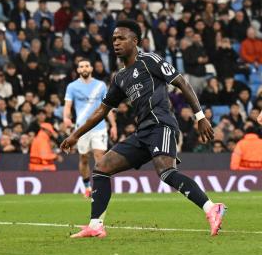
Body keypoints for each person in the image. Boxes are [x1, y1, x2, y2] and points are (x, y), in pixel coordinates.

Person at [60, 19, 225, 238]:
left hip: (161, 124)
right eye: (114, 39)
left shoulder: (150, 60)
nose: (116, 43)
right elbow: (102, 110)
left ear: (135, 41)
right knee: (101, 168)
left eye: (121, 38)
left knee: (166, 172)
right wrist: (75, 135)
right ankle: (95, 224)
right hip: (143, 132)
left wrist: (200, 116)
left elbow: (182, 83)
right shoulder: (120, 77)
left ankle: (212, 207)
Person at [63, 59, 117, 197]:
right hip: (81, 128)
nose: (84, 68)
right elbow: (68, 106)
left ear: (91, 68)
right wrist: (66, 118)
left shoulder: (100, 86)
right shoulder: (72, 87)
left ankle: (100, 187)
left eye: (87, 65)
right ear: (78, 70)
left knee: (99, 157)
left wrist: (114, 125)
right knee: (84, 158)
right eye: (81, 66)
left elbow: (108, 107)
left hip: (99, 126)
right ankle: (87, 187)